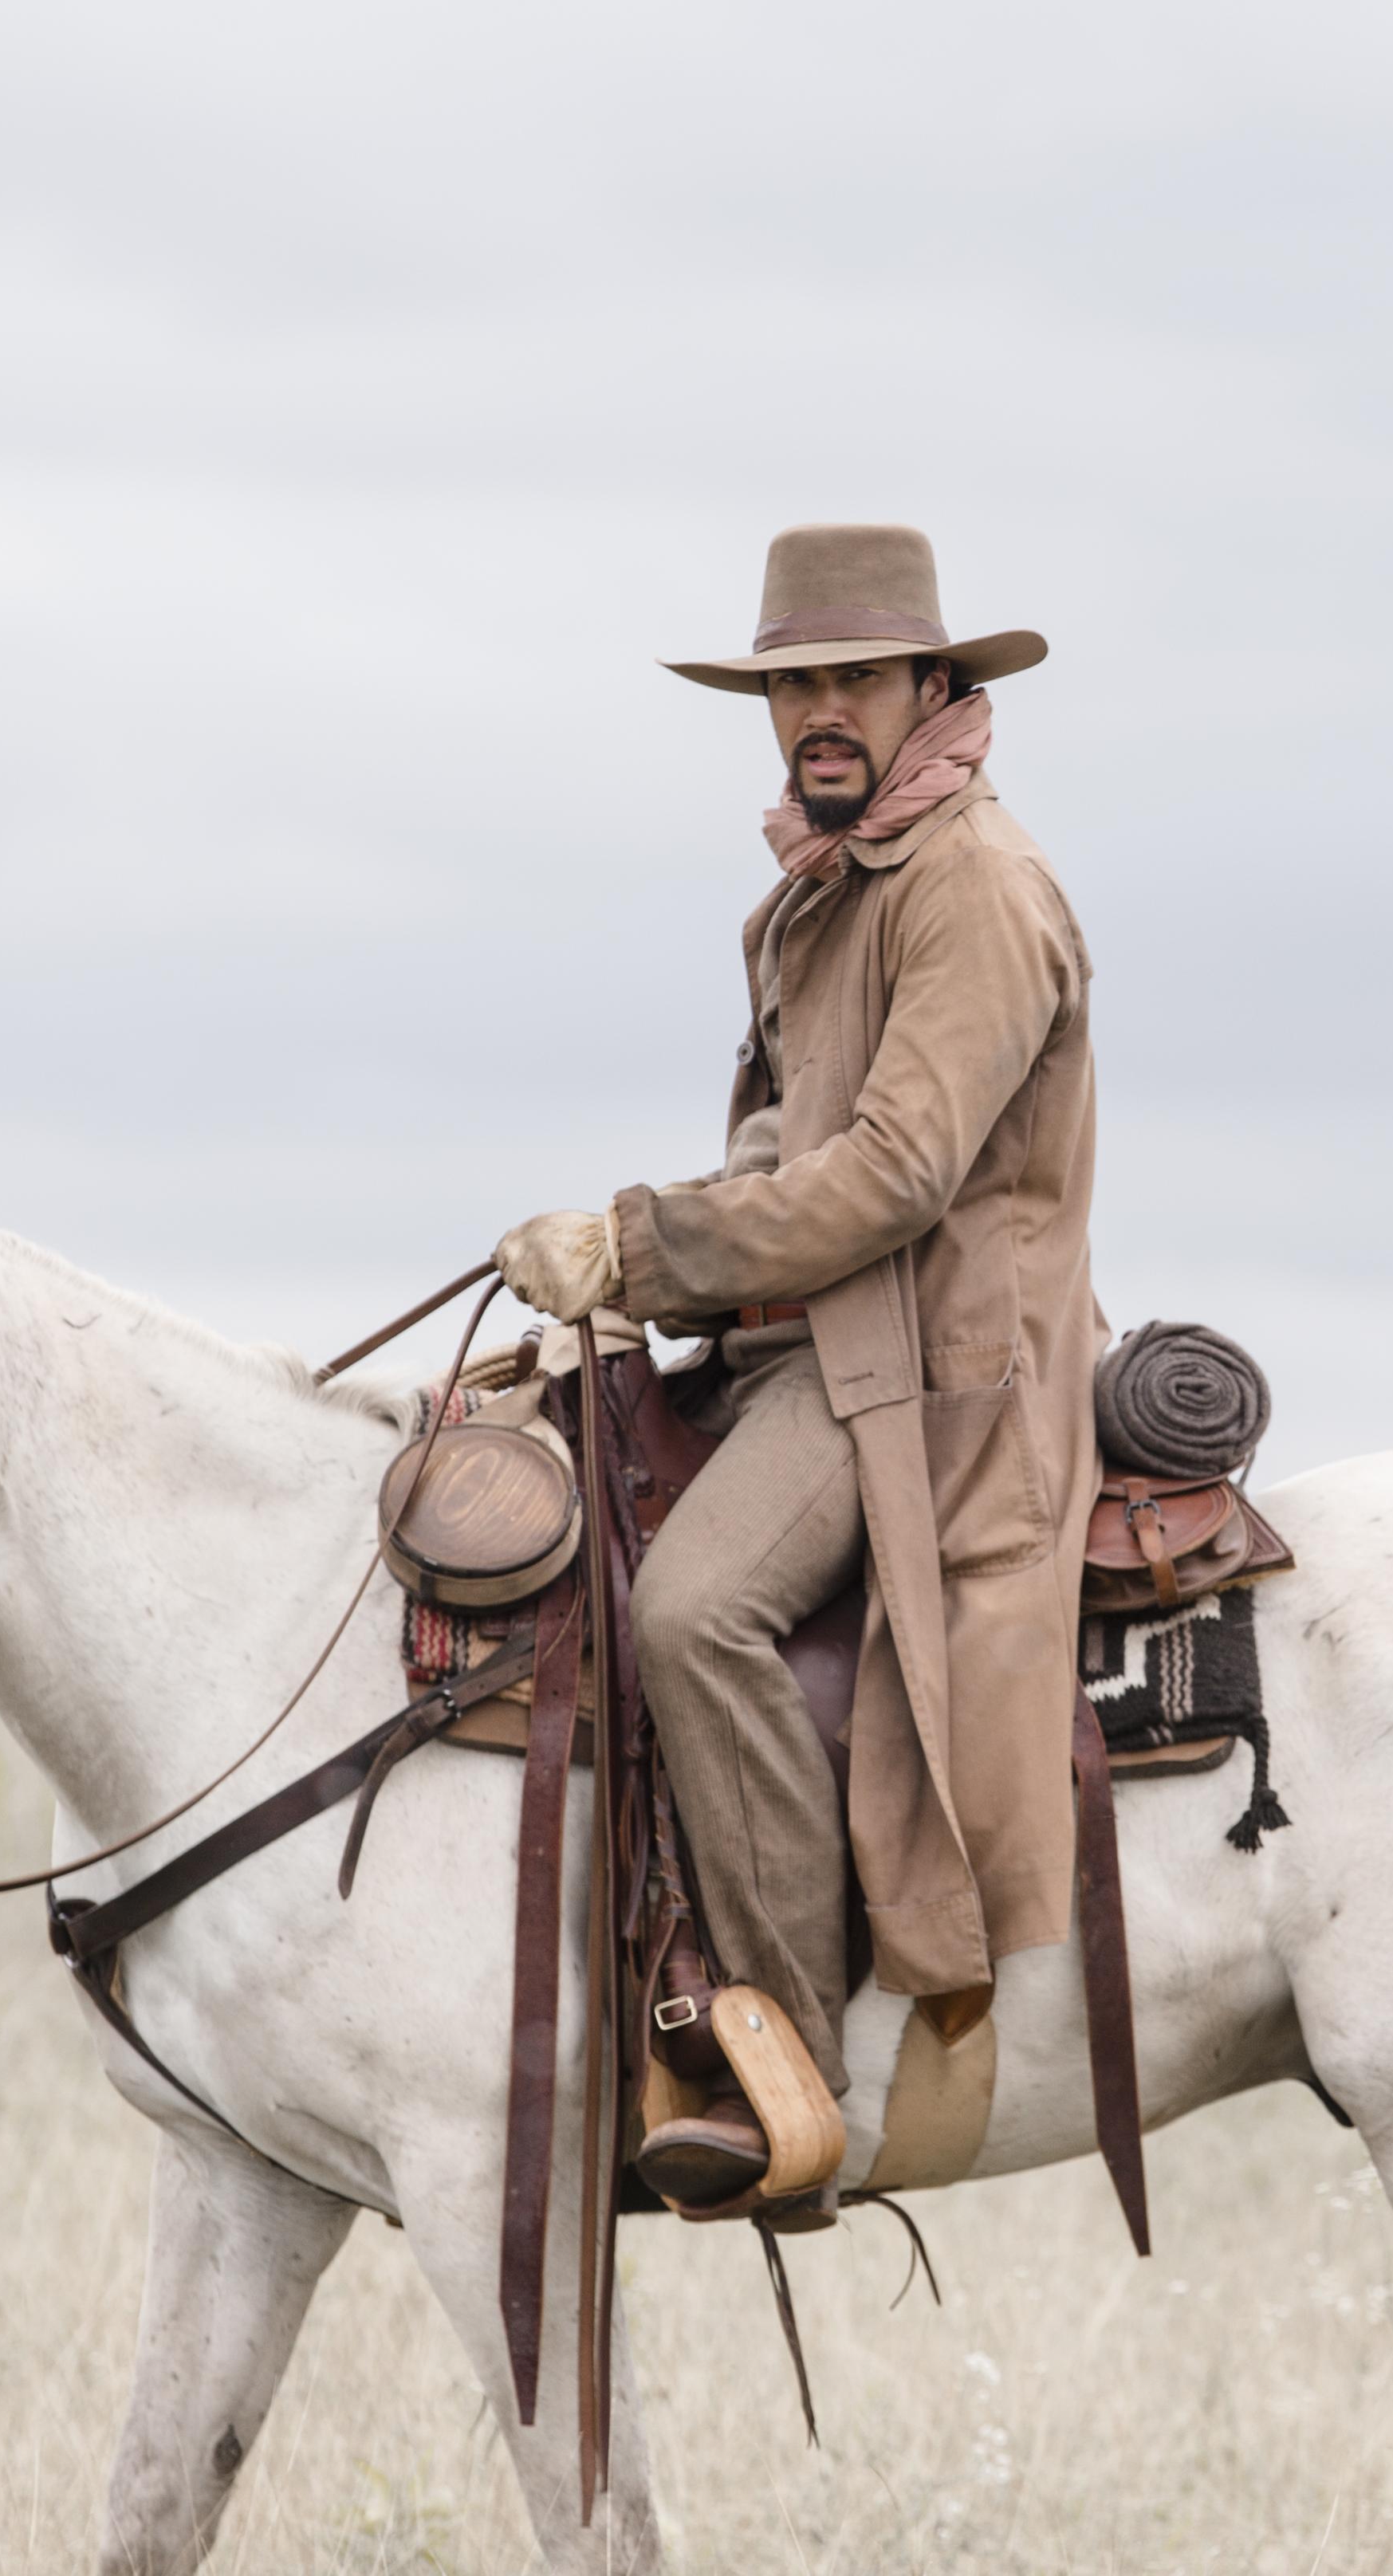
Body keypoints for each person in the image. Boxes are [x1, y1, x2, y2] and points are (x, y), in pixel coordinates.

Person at [492, 525, 1104, 2206]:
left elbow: (899, 1173)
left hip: (929, 1368)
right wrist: (642, 1257)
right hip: (817, 1332)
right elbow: (785, 1142)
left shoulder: (973, 884)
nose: (818, 711)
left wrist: (645, 1244)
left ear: (932, 685)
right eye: (790, 684)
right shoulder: (821, 896)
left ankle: (791, 2072)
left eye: (850, 678)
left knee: (692, 1606)